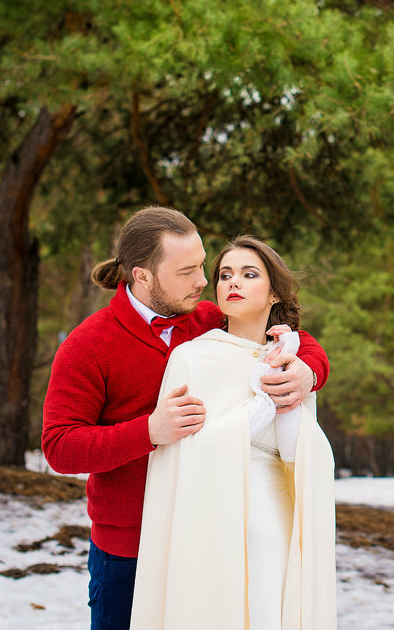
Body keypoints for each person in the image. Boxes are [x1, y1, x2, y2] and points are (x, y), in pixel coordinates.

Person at [41, 208, 330, 630]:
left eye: (202, 264)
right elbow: (60, 446)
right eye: (187, 271)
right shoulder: (87, 346)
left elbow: (287, 335)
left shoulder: (206, 319)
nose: (203, 282)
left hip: (207, 528)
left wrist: (310, 370)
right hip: (131, 545)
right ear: (142, 276)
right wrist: (149, 431)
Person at [129, 235, 336, 630]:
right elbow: (185, 456)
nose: (233, 283)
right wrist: (260, 404)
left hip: (274, 520)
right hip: (209, 521)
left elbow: (299, 457)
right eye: (225, 275)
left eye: (248, 274)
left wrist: (284, 380)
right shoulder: (191, 357)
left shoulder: (290, 360)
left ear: (274, 292)